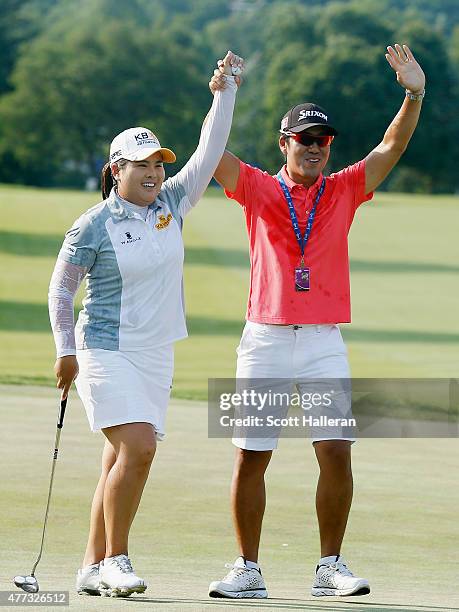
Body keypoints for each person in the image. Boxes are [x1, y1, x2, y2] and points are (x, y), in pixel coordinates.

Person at [207, 44, 425, 599]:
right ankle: (247, 569)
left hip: (325, 340)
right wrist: (223, 96)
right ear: (285, 144)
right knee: (252, 453)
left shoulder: (345, 188)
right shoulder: (257, 186)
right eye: (304, 140)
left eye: (322, 141)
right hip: (264, 339)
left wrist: (413, 93)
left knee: (335, 450)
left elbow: (392, 144)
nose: (314, 149)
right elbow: (210, 154)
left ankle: (330, 567)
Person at [48, 50, 244, 598]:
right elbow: (61, 289)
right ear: (117, 170)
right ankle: (116, 558)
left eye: (158, 163)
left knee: (118, 456)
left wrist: (223, 93)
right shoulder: (92, 224)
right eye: (143, 165)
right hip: (104, 349)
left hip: (156, 352)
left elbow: (207, 155)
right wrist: (66, 350)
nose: (155, 172)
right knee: (138, 448)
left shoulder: (170, 205)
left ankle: (90, 566)